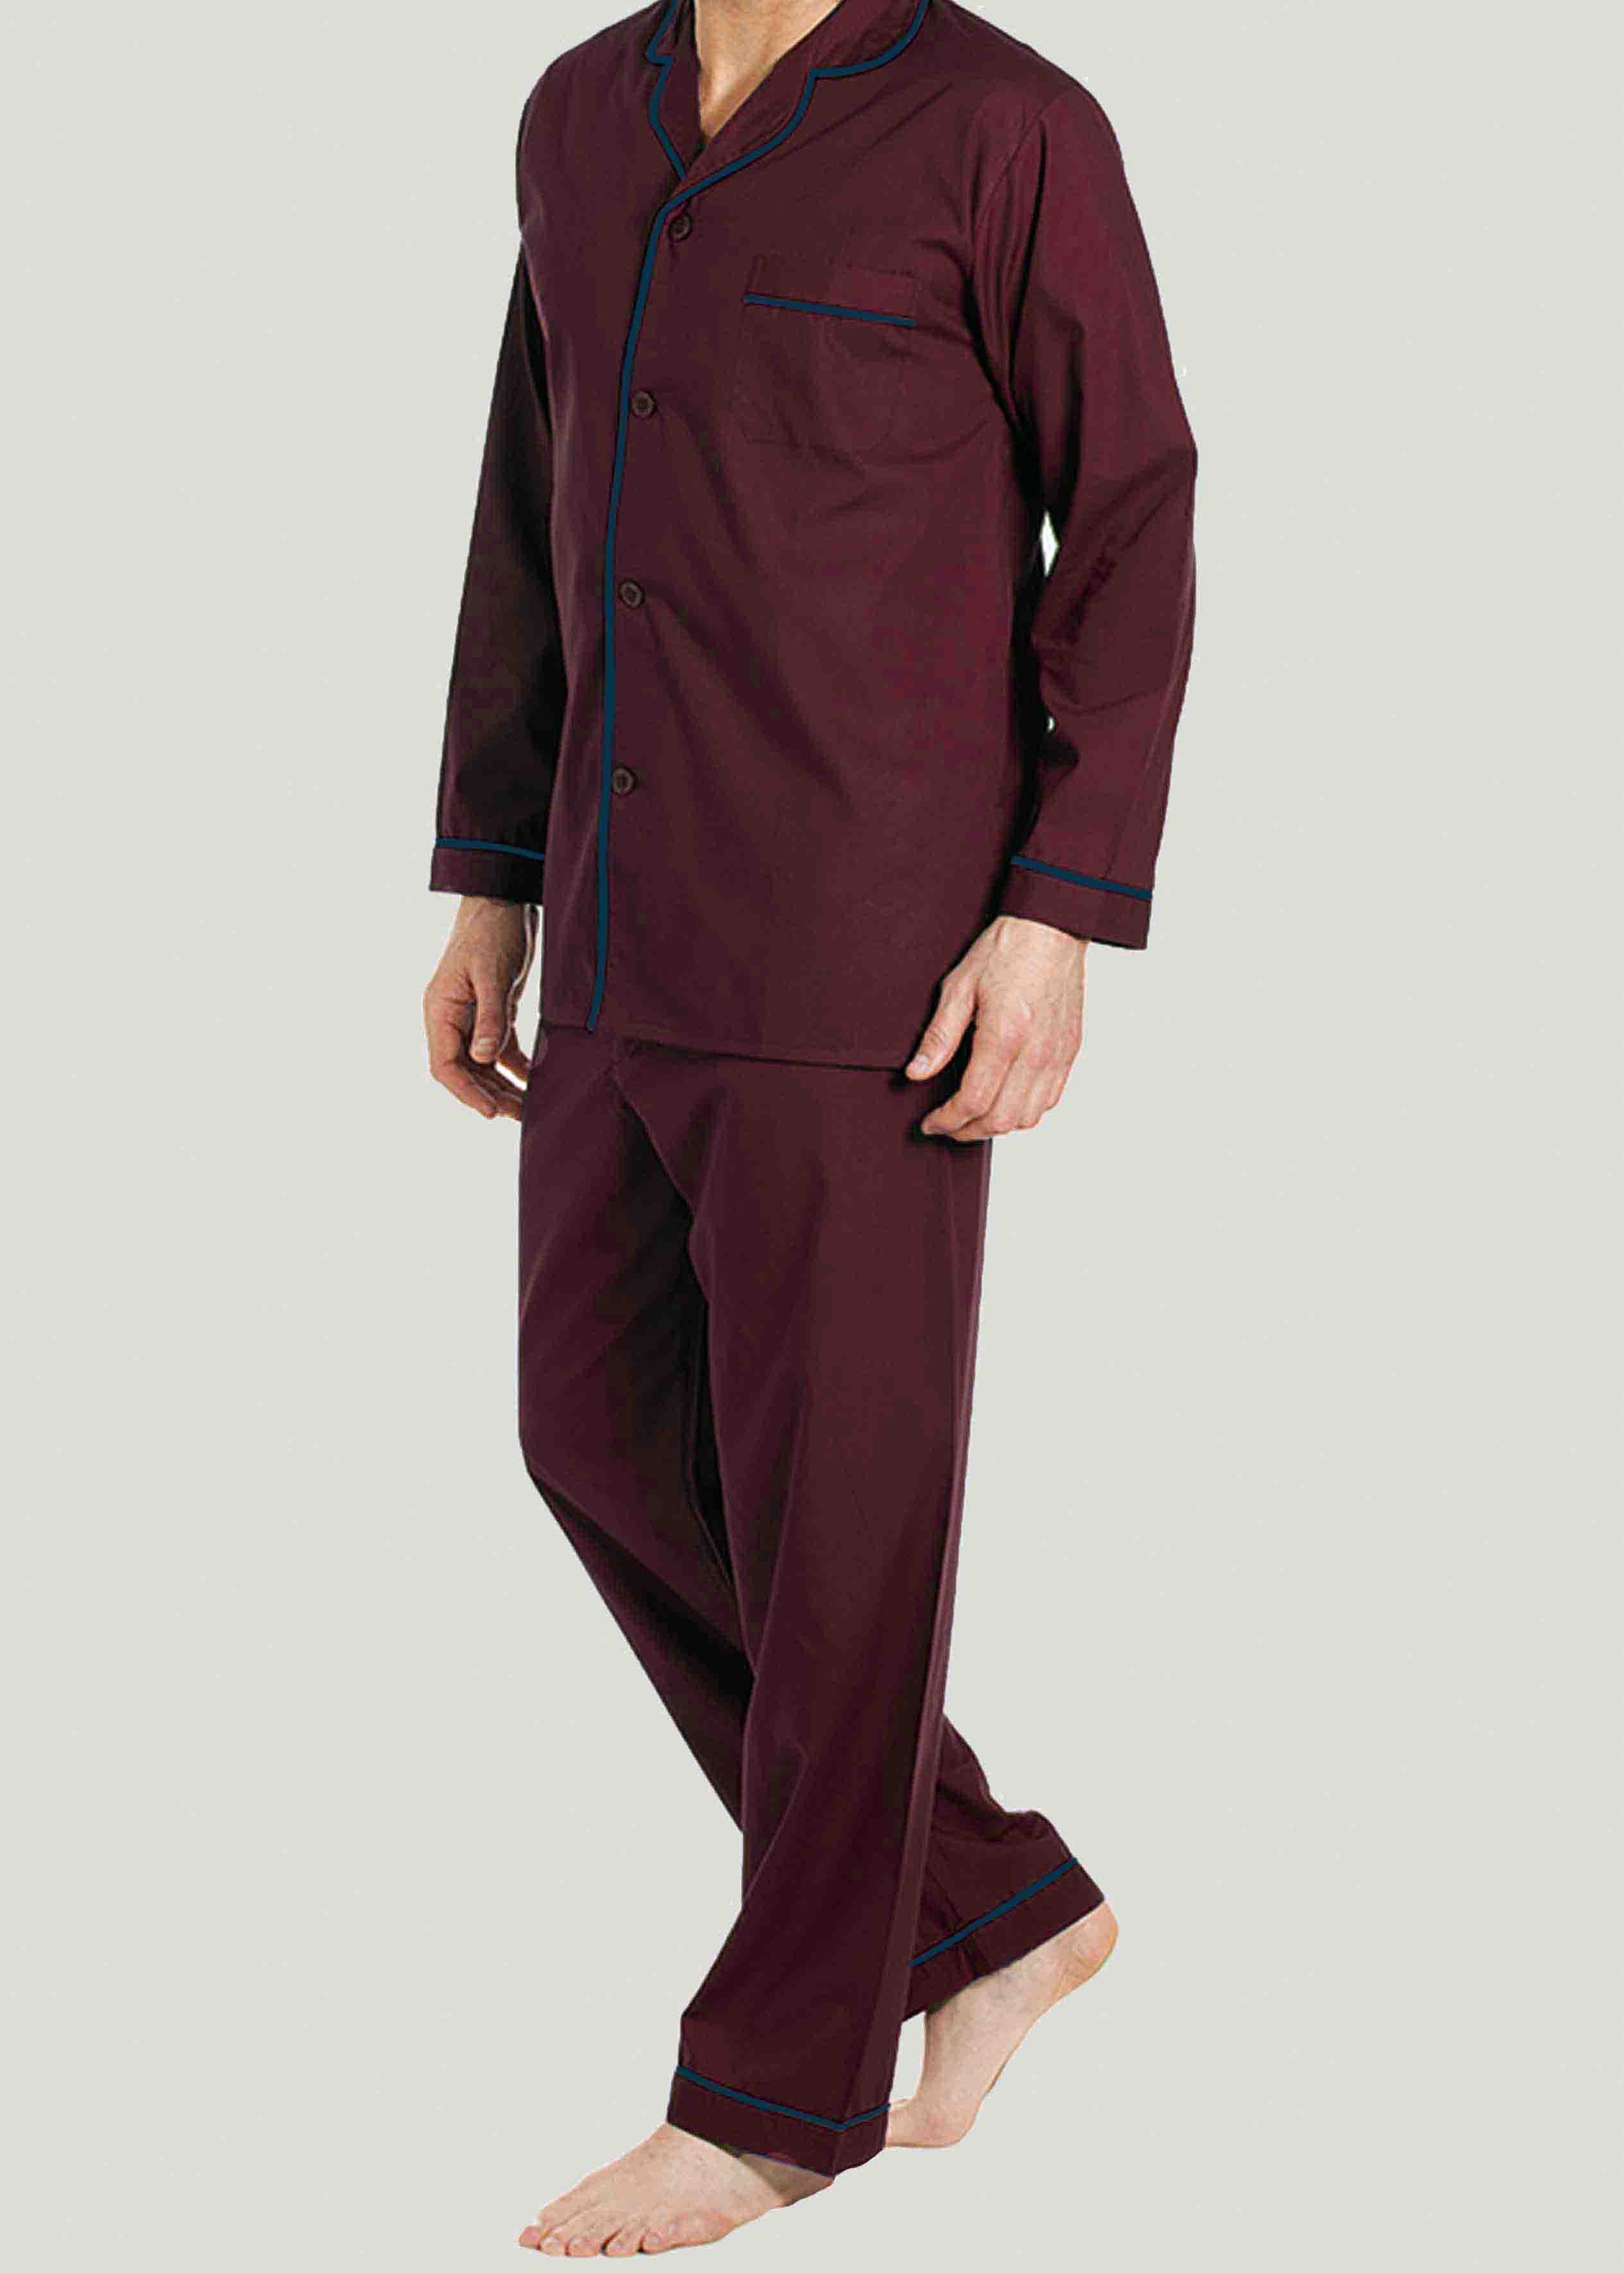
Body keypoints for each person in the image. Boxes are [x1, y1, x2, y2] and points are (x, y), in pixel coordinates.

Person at [422, 0, 1196, 2253]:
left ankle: (773, 2097)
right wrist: (488, 874)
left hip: (869, 943)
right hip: (616, 907)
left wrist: (1056, 913)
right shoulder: (580, 111)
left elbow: (1131, 517)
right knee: (593, 1436)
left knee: (837, 1523)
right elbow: (528, 501)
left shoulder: (1003, 126)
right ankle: (992, 1909)